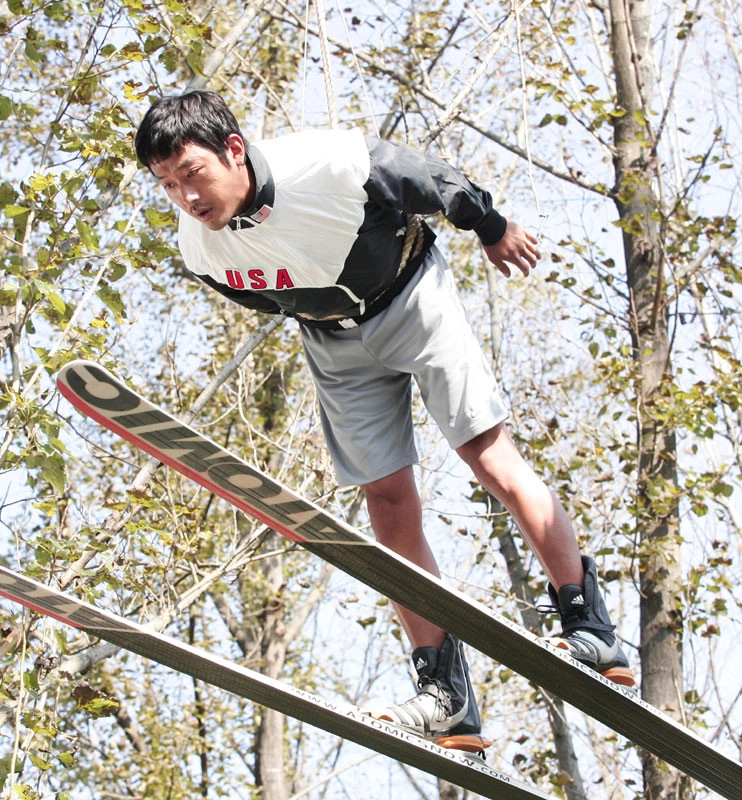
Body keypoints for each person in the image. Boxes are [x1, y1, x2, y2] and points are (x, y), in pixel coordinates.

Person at [133, 90, 633, 752]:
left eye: (191, 174)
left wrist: (491, 227)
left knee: (488, 457)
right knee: (387, 502)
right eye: (167, 185)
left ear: (234, 149)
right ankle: (446, 693)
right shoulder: (200, 249)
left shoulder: (328, 162)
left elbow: (435, 181)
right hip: (334, 342)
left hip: (413, 298)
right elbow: (259, 295)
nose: (187, 198)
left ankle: (587, 622)